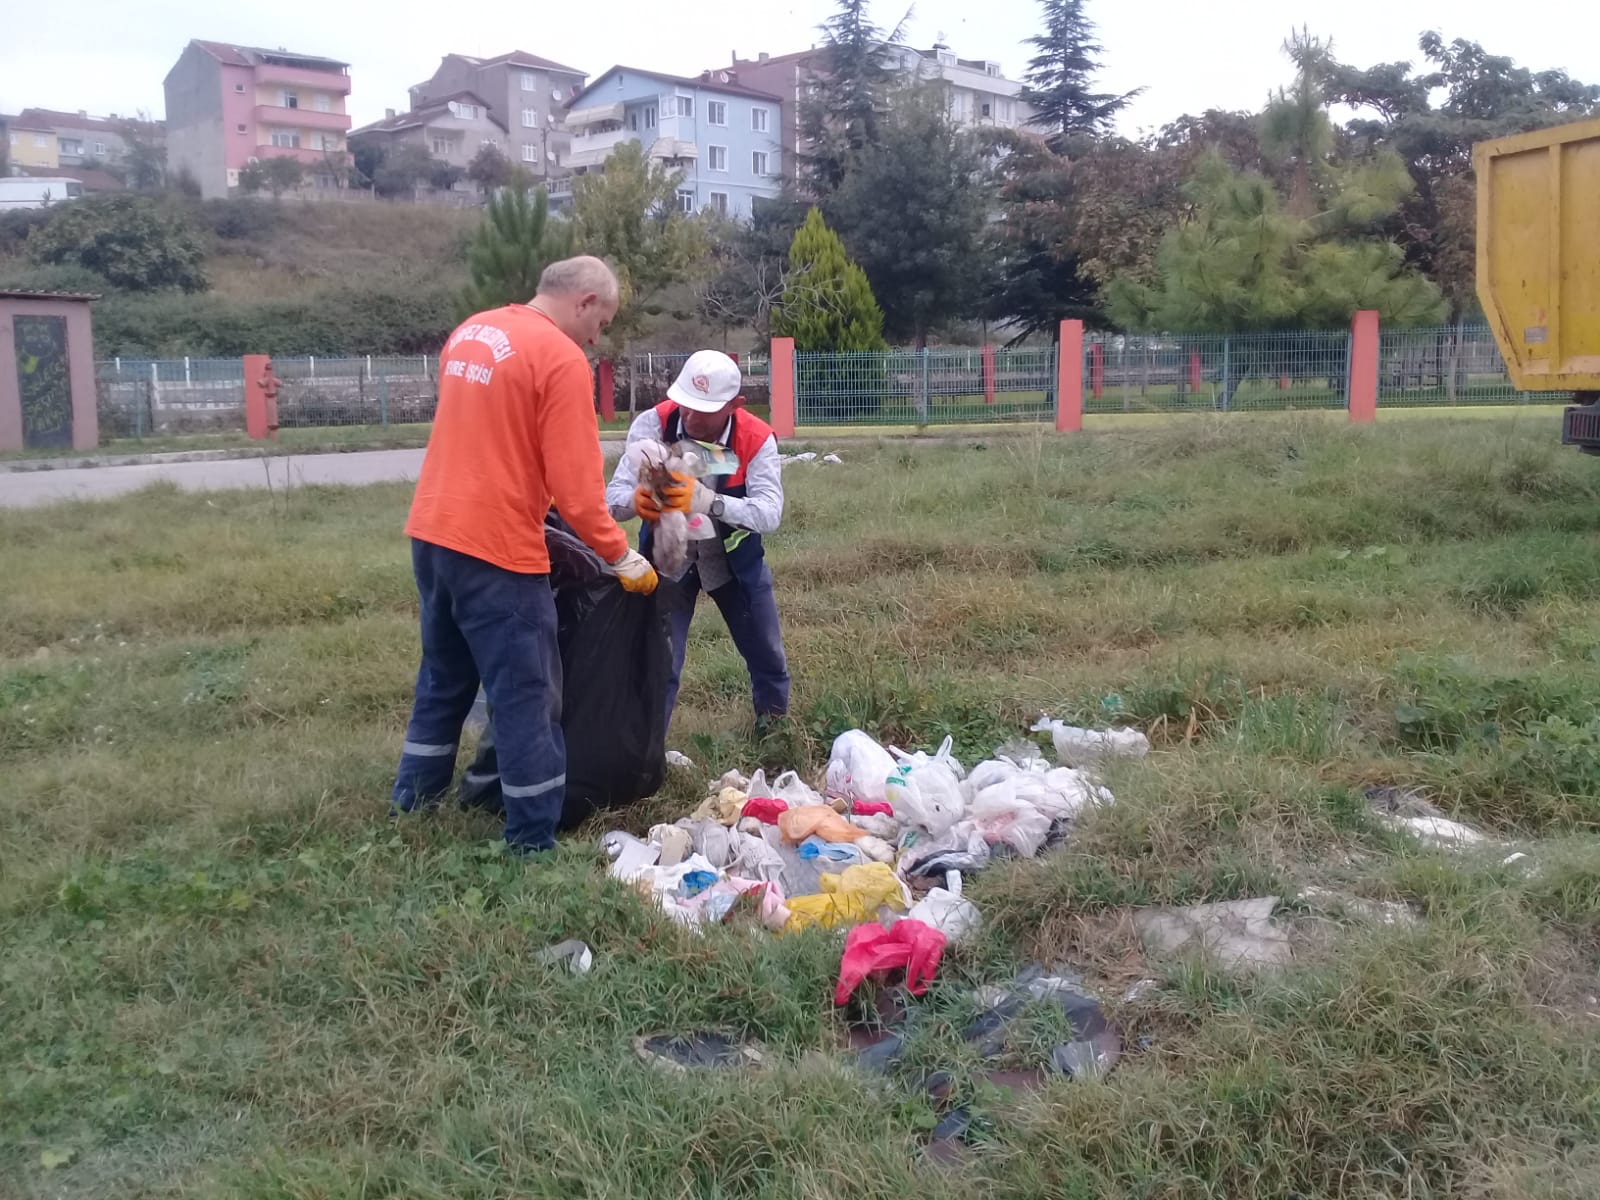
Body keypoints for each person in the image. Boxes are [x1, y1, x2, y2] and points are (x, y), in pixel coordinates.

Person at [391, 256, 659, 854]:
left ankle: (412, 804)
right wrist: (621, 556)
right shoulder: (559, 358)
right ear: (584, 301)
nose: (598, 337)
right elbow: (578, 486)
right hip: (497, 549)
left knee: (443, 677)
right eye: (602, 321)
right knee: (527, 695)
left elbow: (491, 436)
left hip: (434, 531)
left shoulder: (473, 333)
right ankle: (531, 841)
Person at [606, 349, 789, 734]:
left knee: (767, 658)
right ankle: (647, 755)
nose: (689, 417)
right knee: (661, 663)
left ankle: (775, 737)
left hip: (735, 566)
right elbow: (612, 500)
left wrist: (711, 502)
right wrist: (633, 502)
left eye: (703, 410)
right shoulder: (653, 424)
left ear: (734, 405)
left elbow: (769, 513)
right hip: (668, 561)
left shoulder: (755, 438)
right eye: (685, 404)